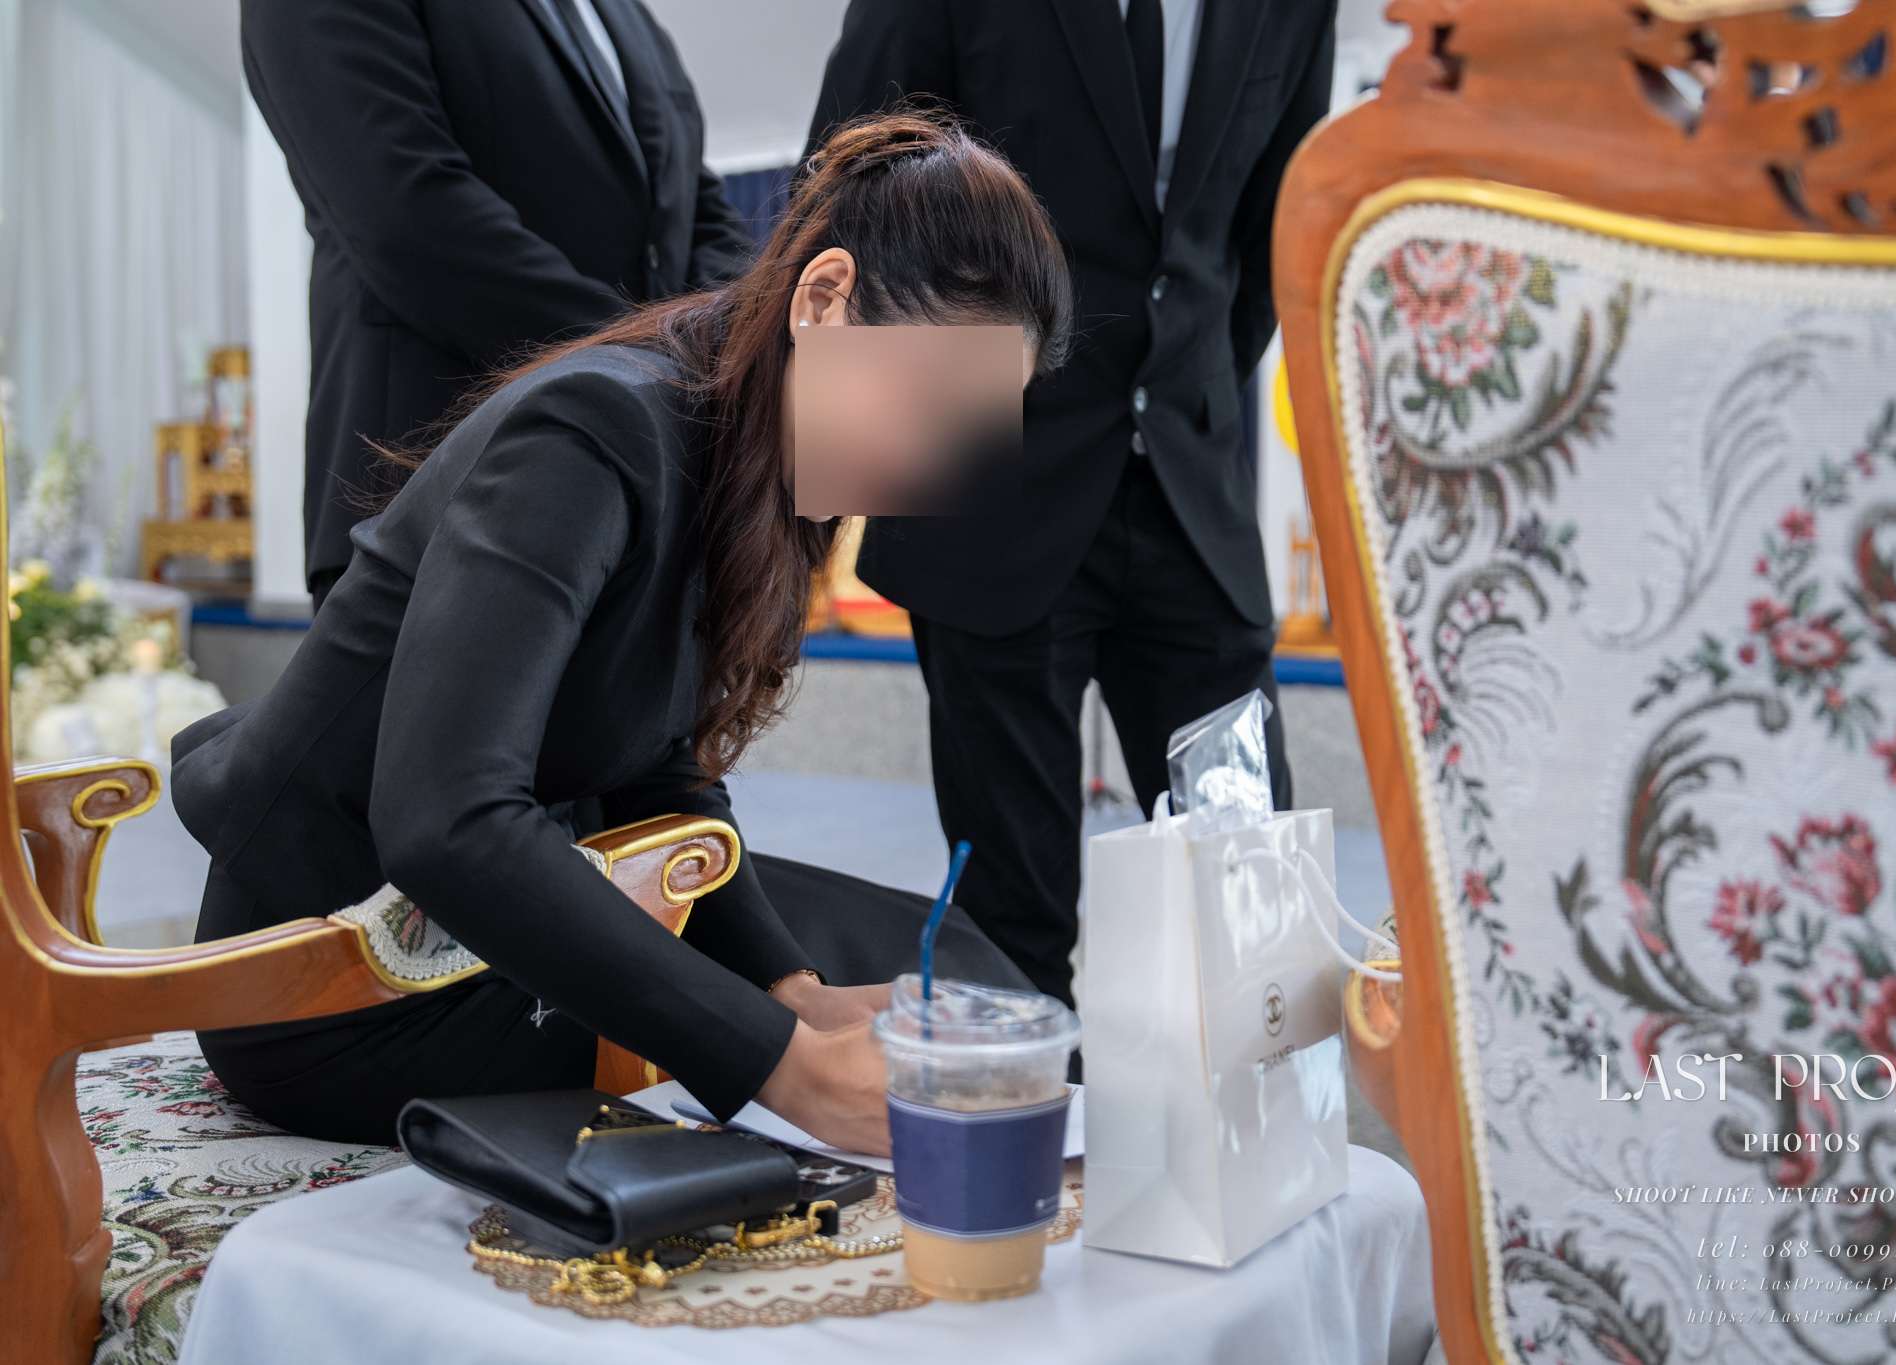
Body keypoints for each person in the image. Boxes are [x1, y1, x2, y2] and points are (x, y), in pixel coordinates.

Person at [171, 113, 1074, 1156]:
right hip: (337, 985)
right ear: (824, 299)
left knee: (953, 974)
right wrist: (785, 1066)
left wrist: (790, 991)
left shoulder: (741, 454)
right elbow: (443, 821)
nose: (934, 471)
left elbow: (655, 765)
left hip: (473, 932)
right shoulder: (590, 435)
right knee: (888, 1065)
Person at [810, 0, 1337, 1007]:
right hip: (983, 470)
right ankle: (1024, 1114)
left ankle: (1239, 1117)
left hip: (1188, 483)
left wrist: (1192, 399)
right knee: (1012, 928)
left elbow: (1273, 225)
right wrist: (892, 449)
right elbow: (852, 182)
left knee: (1252, 898)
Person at [241, 0, 758, 610]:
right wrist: (649, 368)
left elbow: (696, 207)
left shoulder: (628, 16)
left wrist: (720, 356)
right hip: (436, 503)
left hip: (647, 520)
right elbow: (408, 218)